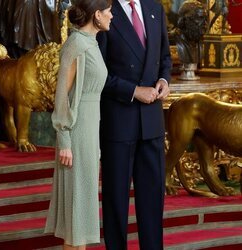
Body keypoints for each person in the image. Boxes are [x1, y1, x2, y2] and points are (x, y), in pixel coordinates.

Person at [97, 0, 172, 249]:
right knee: (116, 203)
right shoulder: (104, 11)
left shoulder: (154, 8)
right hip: (119, 123)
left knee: (152, 203)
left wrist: (164, 79)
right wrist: (133, 91)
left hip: (152, 123)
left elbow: (164, 56)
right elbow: (97, 73)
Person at [44, 1, 112, 250]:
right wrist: (64, 141)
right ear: (97, 15)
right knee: (76, 216)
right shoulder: (75, 46)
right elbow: (61, 95)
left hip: (90, 132)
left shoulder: (91, 43)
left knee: (81, 214)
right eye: (108, 11)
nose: (112, 16)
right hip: (76, 134)